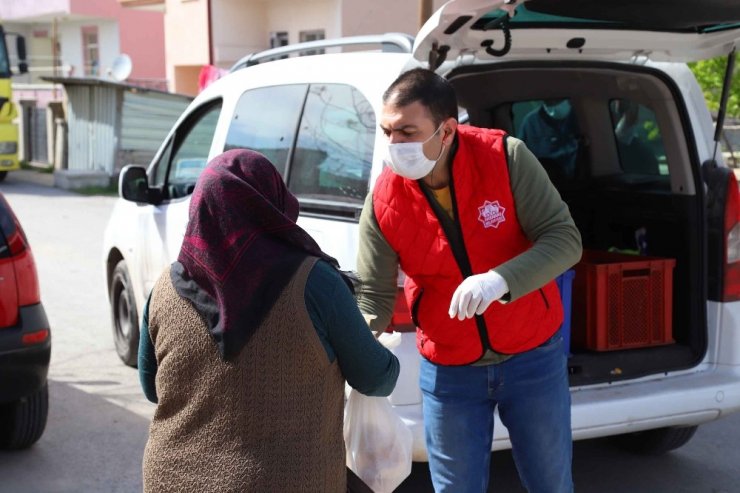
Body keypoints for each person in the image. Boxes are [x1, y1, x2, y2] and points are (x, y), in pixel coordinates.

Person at [356, 68, 582, 493]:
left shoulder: (506, 157)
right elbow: (373, 295)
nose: (395, 145)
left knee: (551, 484)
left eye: (407, 131)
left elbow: (565, 239)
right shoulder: (385, 199)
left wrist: (499, 281)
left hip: (532, 356)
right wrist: (351, 356)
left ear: (446, 131)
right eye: (387, 131)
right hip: (449, 369)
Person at [138, 149, 399, 493]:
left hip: (170, 479)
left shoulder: (165, 289)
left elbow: (152, 388)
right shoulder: (314, 282)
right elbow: (376, 377)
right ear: (272, 205)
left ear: (201, 208)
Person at [518, 98, 580, 181]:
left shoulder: (583, 117)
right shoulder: (531, 123)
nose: (554, 103)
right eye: (549, 101)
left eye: (558, 100)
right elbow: (521, 161)